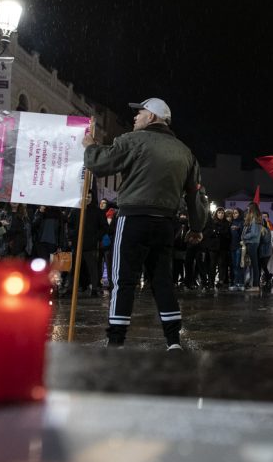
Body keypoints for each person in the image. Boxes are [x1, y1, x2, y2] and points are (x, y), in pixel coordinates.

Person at [83, 97, 206, 350]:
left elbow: (100, 164)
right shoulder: (185, 152)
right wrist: (196, 228)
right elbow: (195, 195)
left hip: (133, 219)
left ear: (151, 116)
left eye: (139, 113)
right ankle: (173, 341)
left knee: (123, 281)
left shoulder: (132, 140)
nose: (135, 117)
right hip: (165, 223)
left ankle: (116, 342)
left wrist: (90, 146)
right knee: (162, 281)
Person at [202, 207, 231, 288]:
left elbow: (227, 235)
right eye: (219, 213)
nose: (221, 214)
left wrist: (217, 232)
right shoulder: (212, 223)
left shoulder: (226, 223)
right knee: (212, 265)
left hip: (222, 248)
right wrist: (216, 233)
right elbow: (208, 234)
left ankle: (221, 281)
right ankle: (211, 281)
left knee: (221, 264)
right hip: (213, 247)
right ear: (216, 213)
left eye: (222, 213)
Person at [241, 202, 263, 291]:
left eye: (248, 208)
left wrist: (244, 237)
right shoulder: (255, 219)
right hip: (252, 243)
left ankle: (255, 285)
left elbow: (253, 233)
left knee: (254, 264)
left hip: (252, 243)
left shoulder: (254, 219)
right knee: (253, 264)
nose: (247, 210)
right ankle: (254, 284)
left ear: (251, 209)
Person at [229, 208, 246, 291]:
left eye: (236, 213)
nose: (234, 214)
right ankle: (236, 283)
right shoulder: (231, 222)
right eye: (233, 213)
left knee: (240, 265)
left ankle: (241, 283)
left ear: (239, 214)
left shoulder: (242, 223)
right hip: (232, 247)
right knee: (235, 266)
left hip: (239, 247)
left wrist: (238, 229)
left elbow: (243, 235)